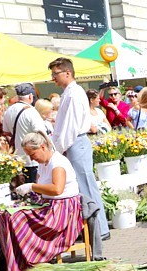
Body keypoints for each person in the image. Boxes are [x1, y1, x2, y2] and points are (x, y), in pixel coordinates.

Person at [0, 131, 83, 271]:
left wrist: (32, 187)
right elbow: (41, 187)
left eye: (32, 154)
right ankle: (17, 265)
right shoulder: (43, 164)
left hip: (62, 211)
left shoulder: (58, 163)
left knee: (18, 220)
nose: (31, 158)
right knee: (4, 215)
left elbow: (57, 189)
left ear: (42, 147)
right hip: (50, 205)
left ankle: (29, 264)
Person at [48, 57, 109, 238]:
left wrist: (59, 148)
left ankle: (100, 228)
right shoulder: (69, 92)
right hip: (73, 144)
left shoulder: (74, 93)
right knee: (81, 187)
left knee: (86, 187)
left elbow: (71, 126)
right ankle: (95, 228)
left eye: (55, 74)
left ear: (67, 73)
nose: (53, 78)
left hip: (76, 143)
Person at [2, 83, 49, 183]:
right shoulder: (31, 111)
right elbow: (42, 134)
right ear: (31, 96)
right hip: (33, 159)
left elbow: (7, 133)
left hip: (17, 160)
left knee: (21, 191)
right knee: (34, 191)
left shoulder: (8, 110)